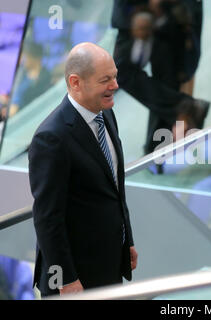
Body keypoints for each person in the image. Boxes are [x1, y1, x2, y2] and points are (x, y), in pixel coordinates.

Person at [28, 42, 138, 297]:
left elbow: (114, 189)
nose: (115, 85)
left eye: (115, 76)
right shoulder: (51, 138)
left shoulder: (105, 114)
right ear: (76, 82)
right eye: (106, 80)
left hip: (108, 264)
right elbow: (47, 218)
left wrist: (127, 240)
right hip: (75, 280)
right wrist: (65, 279)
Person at [111, 0, 209, 155]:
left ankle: (156, 149)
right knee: (122, 71)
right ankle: (185, 107)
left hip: (172, 11)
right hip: (134, 10)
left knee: (167, 78)